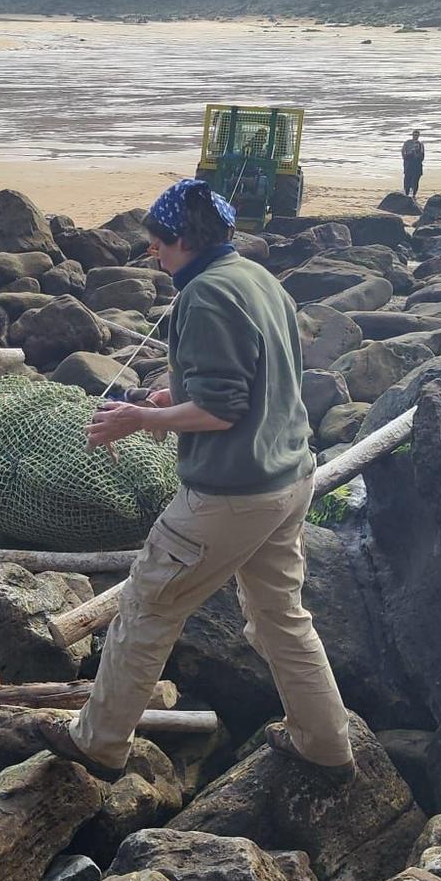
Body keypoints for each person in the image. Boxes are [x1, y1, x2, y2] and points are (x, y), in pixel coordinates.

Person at [33, 178, 355, 783]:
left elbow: (223, 409)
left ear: (183, 240)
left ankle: (98, 743)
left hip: (231, 494)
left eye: (157, 245)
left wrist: (140, 417)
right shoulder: (260, 280)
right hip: (291, 477)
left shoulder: (205, 296)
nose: (152, 255)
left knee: (148, 605)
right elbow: (249, 379)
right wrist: (168, 396)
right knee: (280, 617)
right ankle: (327, 745)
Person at [400, 129, 426, 198]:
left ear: (419, 136)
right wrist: (410, 153)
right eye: (414, 135)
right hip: (408, 164)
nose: (415, 136)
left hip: (417, 165)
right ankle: (406, 193)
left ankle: (414, 195)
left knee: (415, 181)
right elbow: (403, 153)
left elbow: (422, 157)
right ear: (412, 135)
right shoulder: (407, 143)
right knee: (407, 179)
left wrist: (416, 152)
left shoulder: (420, 144)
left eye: (417, 135)